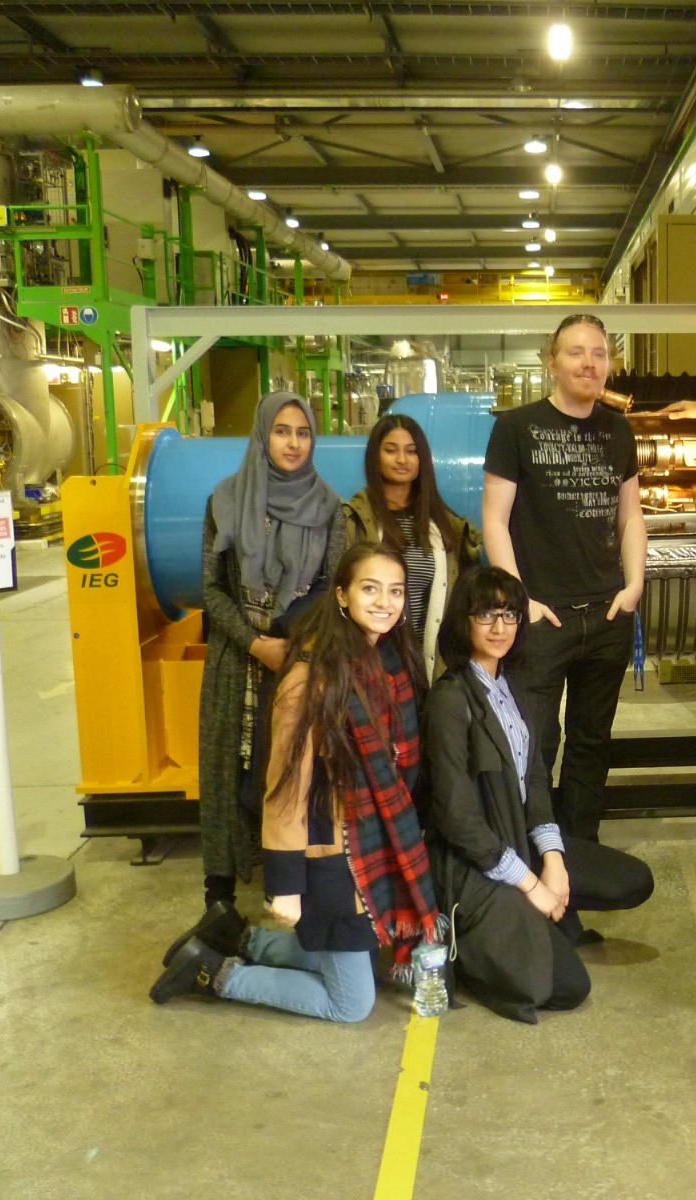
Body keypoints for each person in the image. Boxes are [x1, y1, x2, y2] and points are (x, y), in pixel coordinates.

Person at [152, 543, 440, 1021]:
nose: (385, 602)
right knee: (352, 1003)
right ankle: (211, 972)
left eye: (395, 591)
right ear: (342, 596)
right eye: (370, 589)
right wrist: (285, 885)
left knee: (363, 957)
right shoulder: (311, 678)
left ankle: (240, 938)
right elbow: (286, 789)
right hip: (334, 855)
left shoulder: (388, 662)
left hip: (373, 842)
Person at [421, 566, 655, 1024]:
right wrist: (530, 885)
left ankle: (539, 921)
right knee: (567, 987)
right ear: (463, 621)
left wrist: (553, 860)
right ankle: (471, 948)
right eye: (485, 614)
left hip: (520, 841)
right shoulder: (450, 699)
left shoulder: (516, 686)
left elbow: (534, 781)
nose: (499, 627)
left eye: (509, 614)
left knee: (631, 880)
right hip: (474, 863)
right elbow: (457, 818)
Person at [481, 313, 647, 844]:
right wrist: (520, 600)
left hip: (607, 615)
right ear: (552, 362)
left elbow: (631, 516)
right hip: (541, 618)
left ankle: (580, 853)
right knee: (534, 744)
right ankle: (534, 854)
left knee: (591, 745)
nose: (589, 363)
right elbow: (494, 519)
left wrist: (633, 587)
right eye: (576, 352)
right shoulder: (516, 428)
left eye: (599, 353)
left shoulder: (618, 431)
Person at [196, 391, 345, 912]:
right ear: (263, 435)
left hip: (299, 661)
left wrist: (294, 645)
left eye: (303, 433)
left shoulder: (328, 508)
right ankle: (219, 894)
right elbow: (212, 589)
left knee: (284, 772)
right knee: (227, 772)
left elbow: (331, 588)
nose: (293, 443)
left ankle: (280, 886)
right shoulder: (225, 500)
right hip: (236, 659)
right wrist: (256, 643)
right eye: (282, 431)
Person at [343, 412, 480, 679]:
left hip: (430, 665)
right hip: (372, 664)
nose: (402, 459)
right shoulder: (353, 521)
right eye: (391, 450)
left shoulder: (446, 526)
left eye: (411, 451)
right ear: (375, 457)